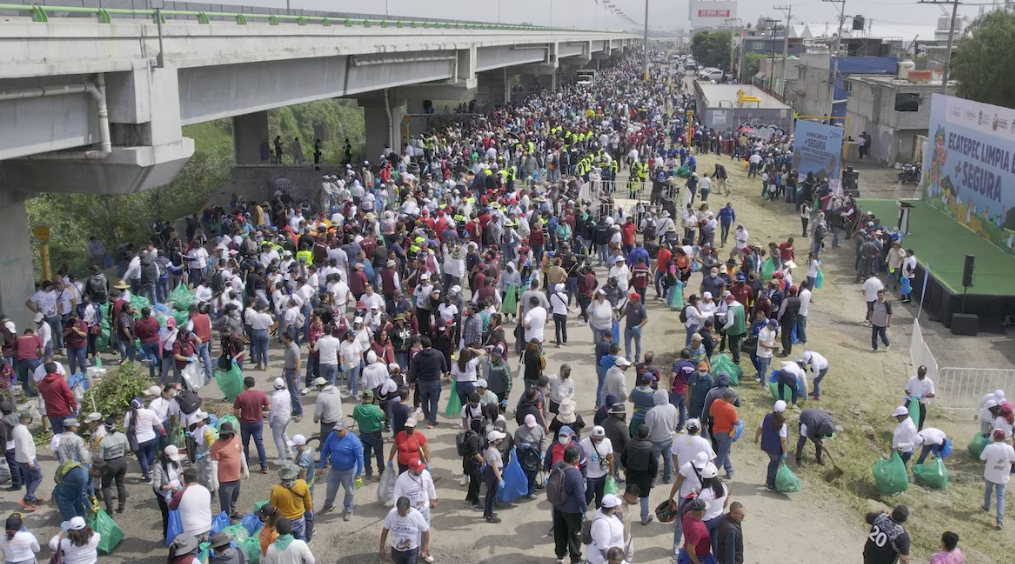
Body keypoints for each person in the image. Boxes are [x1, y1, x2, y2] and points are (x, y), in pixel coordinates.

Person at [317, 420, 364, 521]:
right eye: (336, 430)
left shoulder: (354, 440)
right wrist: (321, 466)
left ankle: (348, 508)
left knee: (349, 491)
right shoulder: (332, 436)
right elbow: (325, 450)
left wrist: (358, 474)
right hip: (334, 469)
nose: (337, 432)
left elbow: (360, 458)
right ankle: (328, 505)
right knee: (330, 488)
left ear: (346, 429)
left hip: (349, 471)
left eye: (339, 430)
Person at [550, 444, 586, 564]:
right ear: (575, 459)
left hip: (558, 505)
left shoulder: (557, 465)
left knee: (560, 532)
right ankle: (575, 559)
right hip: (573, 510)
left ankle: (560, 555)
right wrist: (584, 509)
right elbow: (580, 495)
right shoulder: (575, 473)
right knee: (575, 534)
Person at [211, 421, 249, 518]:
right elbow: (214, 463)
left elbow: (241, 453)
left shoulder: (236, 439)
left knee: (234, 497)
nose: (223, 435)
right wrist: (215, 480)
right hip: (224, 479)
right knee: (225, 500)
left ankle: (232, 512)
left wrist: (245, 468)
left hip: (236, 476)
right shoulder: (216, 445)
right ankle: (226, 517)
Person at [621, 426, 657, 526]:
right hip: (645, 475)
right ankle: (644, 518)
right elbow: (654, 463)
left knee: (629, 494)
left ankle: (623, 515)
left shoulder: (629, 443)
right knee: (644, 496)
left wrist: (625, 467)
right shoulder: (650, 446)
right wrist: (653, 475)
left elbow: (622, 457)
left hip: (631, 473)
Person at [234, 376, 271, 474]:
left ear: (245, 385)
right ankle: (264, 466)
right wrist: (260, 409)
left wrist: (239, 420)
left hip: (245, 423)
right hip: (258, 423)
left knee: (245, 444)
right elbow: (268, 407)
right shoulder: (261, 394)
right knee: (259, 443)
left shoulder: (240, 396)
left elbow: (235, 411)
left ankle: (245, 465)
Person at [980, 429, 1015, 530]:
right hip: (1002, 477)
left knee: (988, 491)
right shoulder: (1009, 448)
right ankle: (999, 520)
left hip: (990, 475)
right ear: (1004, 438)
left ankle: (986, 506)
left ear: (994, 437)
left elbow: (982, 458)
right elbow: (1013, 461)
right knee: (1000, 497)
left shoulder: (989, 447)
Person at [379, 496, 431, 564]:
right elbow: (385, 530)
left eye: (403, 511)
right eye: (399, 510)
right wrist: (382, 547)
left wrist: (425, 550)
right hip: (396, 550)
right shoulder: (392, 513)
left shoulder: (416, 515)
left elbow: (426, 531)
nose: (400, 513)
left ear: (408, 508)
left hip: (411, 551)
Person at [269, 462, 313, 540]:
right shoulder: (302, 483)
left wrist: (272, 522)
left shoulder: (276, 489)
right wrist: (309, 511)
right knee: (301, 540)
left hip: (284, 522)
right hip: (299, 519)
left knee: (286, 543)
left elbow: (273, 508)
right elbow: (308, 502)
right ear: (295, 475)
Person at [169, 468, 213, 542]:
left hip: (192, 530)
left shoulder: (180, 494)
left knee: (192, 550)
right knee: (204, 550)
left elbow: (171, 507)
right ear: (197, 478)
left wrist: (167, 499)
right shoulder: (205, 490)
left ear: (184, 480)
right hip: (207, 526)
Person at [644, 388, 677, 483]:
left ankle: (653, 480)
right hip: (669, 438)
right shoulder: (672, 408)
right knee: (668, 459)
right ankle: (667, 478)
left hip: (655, 440)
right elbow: (674, 423)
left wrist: (647, 438)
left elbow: (648, 429)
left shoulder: (652, 412)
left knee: (655, 461)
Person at [13, 410, 44, 509]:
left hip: (20, 459)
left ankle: (32, 498)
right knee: (38, 477)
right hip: (27, 460)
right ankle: (27, 498)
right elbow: (24, 448)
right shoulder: (23, 431)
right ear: (25, 419)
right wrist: (30, 462)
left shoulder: (16, 428)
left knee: (29, 479)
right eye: (29, 418)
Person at [152, 444, 184, 541]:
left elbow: (181, 472)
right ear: (165, 455)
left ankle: (180, 532)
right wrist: (170, 487)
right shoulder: (158, 466)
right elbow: (157, 486)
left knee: (181, 513)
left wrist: (182, 483)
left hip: (177, 489)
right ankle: (168, 536)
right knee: (167, 516)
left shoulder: (175, 461)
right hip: (165, 493)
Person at [754, 401, 789, 490]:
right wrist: (785, 452)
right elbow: (783, 440)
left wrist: (756, 438)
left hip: (766, 445)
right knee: (774, 465)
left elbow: (760, 429)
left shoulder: (767, 417)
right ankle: (770, 484)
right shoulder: (782, 423)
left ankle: (768, 481)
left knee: (772, 462)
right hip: (775, 449)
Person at [580, 426, 615, 508]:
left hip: (602, 475)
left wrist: (612, 473)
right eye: (597, 438)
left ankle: (599, 516)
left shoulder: (607, 442)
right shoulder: (583, 443)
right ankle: (581, 514)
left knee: (600, 499)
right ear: (592, 436)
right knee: (588, 496)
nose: (599, 440)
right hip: (589, 476)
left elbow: (611, 457)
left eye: (601, 438)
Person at [585, 494, 625, 564]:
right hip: (600, 561)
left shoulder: (602, 512)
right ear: (613, 508)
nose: (620, 507)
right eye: (617, 506)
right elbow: (603, 548)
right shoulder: (603, 525)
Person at [709, 389, 739, 479]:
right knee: (722, 454)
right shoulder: (730, 408)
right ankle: (712, 473)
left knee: (724, 451)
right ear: (730, 398)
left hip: (715, 431)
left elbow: (711, 413)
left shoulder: (716, 402)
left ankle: (729, 470)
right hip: (726, 434)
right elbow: (736, 422)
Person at [678, 498, 712, 564]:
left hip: (686, 552)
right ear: (702, 512)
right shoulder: (697, 529)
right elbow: (690, 550)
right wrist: (697, 562)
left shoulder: (687, 514)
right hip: (697, 557)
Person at [482, 430, 506, 523]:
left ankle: (487, 512)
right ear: (495, 441)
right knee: (492, 495)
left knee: (489, 493)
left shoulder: (488, 449)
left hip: (490, 472)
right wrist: (500, 480)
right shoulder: (492, 452)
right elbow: (495, 467)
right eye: (499, 439)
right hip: (494, 475)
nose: (501, 440)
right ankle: (490, 515)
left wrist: (483, 466)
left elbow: (484, 458)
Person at [903, 365, 935, 431]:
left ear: (925, 373)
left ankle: (918, 433)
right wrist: (910, 394)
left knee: (920, 421)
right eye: (920, 372)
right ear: (917, 372)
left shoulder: (929, 382)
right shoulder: (912, 379)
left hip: (921, 403)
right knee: (904, 417)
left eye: (922, 373)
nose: (920, 374)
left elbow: (932, 394)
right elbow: (906, 390)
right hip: (911, 402)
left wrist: (923, 395)